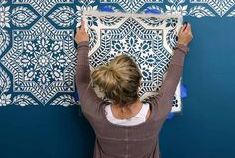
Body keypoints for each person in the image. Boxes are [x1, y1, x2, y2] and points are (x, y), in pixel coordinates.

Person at [75, 20, 193, 158]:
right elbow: (172, 80)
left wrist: (83, 44)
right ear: (140, 83)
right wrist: (182, 45)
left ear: (109, 87)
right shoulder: (158, 113)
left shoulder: (94, 113)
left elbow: (82, 83)